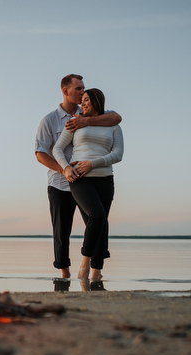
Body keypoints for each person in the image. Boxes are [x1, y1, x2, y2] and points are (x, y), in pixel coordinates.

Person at [35, 74, 121, 279]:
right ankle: (64, 276)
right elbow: (41, 153)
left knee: (99, 221)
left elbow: (116, 118)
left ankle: (96, 272)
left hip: (89, 179)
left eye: (84, 89)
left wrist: (87, 121)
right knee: (61, 231)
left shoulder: (90, 113)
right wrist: (64, 169)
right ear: (65, 91)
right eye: (78, 89)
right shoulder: (50, 120)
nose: (83, 92)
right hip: (60, 182)